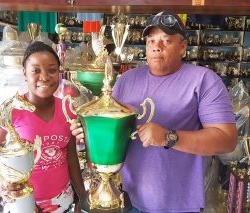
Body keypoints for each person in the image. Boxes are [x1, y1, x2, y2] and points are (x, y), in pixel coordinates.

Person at [70, 11, 238, 212]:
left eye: (166, 41)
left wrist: (168, 137)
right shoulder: (125, 80)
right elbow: (115, 130)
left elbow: (227, 140)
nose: (156, 47)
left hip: (179, 205)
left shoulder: (204, 81)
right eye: (151, 41)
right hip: (126, 198)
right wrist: (91, 133)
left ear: (183, 47)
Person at [0, 41, 85, 213]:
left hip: (63, 201)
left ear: (59, 73)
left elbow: (71, 156)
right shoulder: (10, 109)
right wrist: (3, 183)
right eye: (35, 70)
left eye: (51, 70)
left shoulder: (68, 109)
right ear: (24, 73)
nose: (44, 77)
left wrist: (82, 195)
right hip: (23, 203)